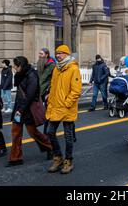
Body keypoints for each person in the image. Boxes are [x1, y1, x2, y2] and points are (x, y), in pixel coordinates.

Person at [7, 56, 52, 167]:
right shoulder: (20, 74)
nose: (14, 68)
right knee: (15, 133)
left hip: (27, 109)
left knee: (33, 132)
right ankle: (15, 158)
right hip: (20, 107)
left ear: (21, 66)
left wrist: (20, 110)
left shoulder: (32, 75)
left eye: (16, 66)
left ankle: (50, 147)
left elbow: (30, 95)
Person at [46, 45, 82, 175]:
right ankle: (58, 157)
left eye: (61, 53)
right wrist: (50, 99)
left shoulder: (73, 69)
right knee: (50, 132)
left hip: (67, 108)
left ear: (66, 54)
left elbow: (76, 90)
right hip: (55, 106)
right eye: (57, 53)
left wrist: (67, 103)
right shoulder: (57, 68)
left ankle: (68, 161)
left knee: (68, 136)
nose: (58, 55)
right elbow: (53, 86)